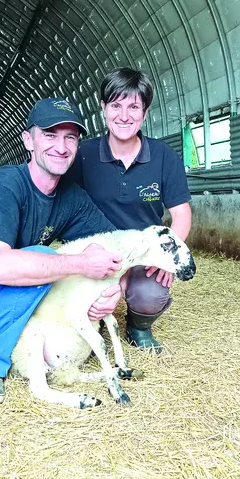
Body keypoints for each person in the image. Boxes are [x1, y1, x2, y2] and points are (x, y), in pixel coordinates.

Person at [0, 97, 125, 404]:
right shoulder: (4, 185)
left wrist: (116, 290)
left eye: (70, 137)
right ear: (28, 140)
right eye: (49, 134)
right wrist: (81, 263)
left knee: (50, 267)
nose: (61, 146)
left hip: (7, 290)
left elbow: (116, 247)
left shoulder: (71, 197)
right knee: (46, 259)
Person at [67, 67, 192, 354]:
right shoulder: (83, 155)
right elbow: (66, 207)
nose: (124, 115)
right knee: (88, 308)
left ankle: (138, 325)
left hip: (142, 252)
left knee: (150, 294)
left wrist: (167, 257)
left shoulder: (163, 157)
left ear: (145, 112)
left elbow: (181, 213)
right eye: (116, 105)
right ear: (103, 108)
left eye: (133, 106)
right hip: (96, 251)